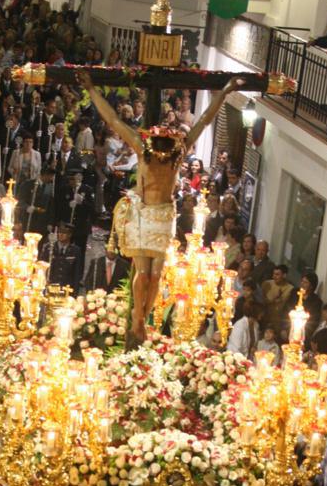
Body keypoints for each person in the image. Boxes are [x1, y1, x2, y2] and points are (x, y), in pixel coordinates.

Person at [78, 70, 245, 340]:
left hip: (164, 216)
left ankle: (144, 318)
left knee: (156, 276)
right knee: (142, 273)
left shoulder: (178, 155)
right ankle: (136, 319)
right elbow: (112, 119)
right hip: (143, 214)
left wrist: (224, 93)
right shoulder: (142, 150)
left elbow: (203, 122)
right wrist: (92, 88)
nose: (163, 148)